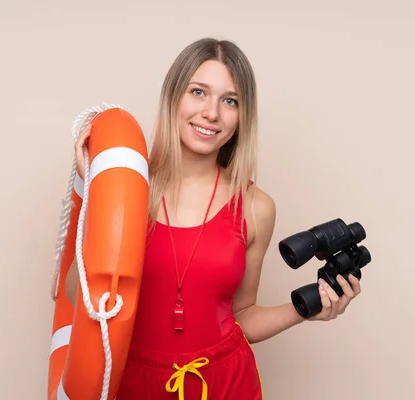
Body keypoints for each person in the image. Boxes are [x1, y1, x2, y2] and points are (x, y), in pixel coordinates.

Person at [65, 37, 362, 400]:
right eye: (198, 92)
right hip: (135, 382)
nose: (212, 113)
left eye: (230, 101)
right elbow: (77, 297)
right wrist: (103, 199)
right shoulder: (130, 194)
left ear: (241, 117)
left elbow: (243, 315)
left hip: (226, 384)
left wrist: (305, 309)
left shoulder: (255, 207)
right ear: (173, 98)